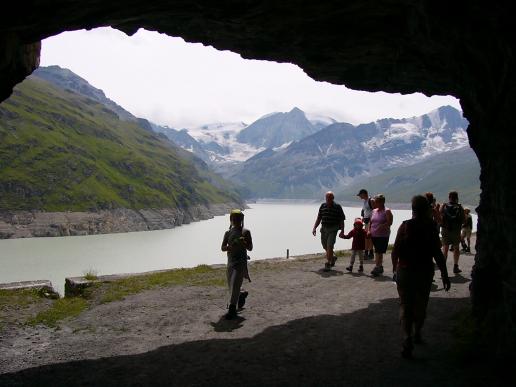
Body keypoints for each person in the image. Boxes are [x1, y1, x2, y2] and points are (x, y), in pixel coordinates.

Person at [392, 195, 451, 359]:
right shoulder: (431, 227)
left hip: (405, 270)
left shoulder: (404, 227)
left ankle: (406, 337)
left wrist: (394, 269)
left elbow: (395, 250)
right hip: (424, 272)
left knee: (405, 304)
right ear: (427, 209)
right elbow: (437, 253)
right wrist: (445, 275)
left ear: (413, 209)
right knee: (421, 303)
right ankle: (417, 332)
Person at [221, 209, 253, 320]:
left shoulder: (246, 232)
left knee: (234, 284)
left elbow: (250, 247)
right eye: (234, 219)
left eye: (238, 219)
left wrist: (244, 242)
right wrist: (230, 247)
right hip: (230, 262)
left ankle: (232, 309)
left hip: (241, 262)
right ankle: (241, 294)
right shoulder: (228, 233)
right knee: (231, 285)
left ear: (242, 220)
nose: (236, 221)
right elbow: (222, 248)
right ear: (231, 220)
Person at [312, 191, 346, 271]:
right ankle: (332, 257)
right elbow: (319, 217)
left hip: (333, 229)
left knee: (329, 245)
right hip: (324, 228)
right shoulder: (323, 206)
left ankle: (328, 263)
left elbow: (342, 219)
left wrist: (342, 231)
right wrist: (314, 228)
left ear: (333, 198)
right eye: (327, 198)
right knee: (325, 246)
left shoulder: (337, 207)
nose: (328, 199)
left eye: (330, 198)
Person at [367, 194, 393, 276]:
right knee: (377, 251)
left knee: (379, 251)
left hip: (383, 235)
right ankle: (380, 266)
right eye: (375, 202)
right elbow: (371, 222)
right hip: (374, 234)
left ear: (382, 202)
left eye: (376, 202)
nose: (375, 203)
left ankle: (377, 267)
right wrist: (368, 230)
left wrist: (382, 226)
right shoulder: (374, 211)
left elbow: (390, 222)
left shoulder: (387, 211)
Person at [440, 191, 465, 274]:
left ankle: (443, 268)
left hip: (445, 230)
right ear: (457, 198)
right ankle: (455, 266)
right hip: (456, 231)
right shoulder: (459, 207)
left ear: (449, 197)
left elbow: (439, 216)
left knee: (445, 249)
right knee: (456, 248)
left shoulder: (444, 206)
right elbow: (463, 220)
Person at [357, 189, 375, 259]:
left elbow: (374, 211)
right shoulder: (365, 201)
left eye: (360, 195)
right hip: (366, 221)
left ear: (364, 194)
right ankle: (367, 252)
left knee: (369, 237)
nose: (359, 196)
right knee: (367, 238)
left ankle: (370, 253)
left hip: (371, 221)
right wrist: (363, 218)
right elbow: (365, 211)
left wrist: (371, 221)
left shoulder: (371, 200)